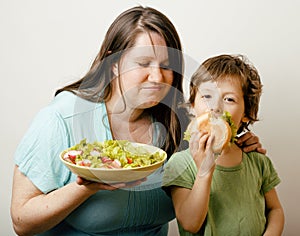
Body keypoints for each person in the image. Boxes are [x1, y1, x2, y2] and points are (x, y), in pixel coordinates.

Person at [10, 6, 265, 236]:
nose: (157, 76)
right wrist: (87, 187)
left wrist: (233, 144)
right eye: (143, 63)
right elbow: (22, 222)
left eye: (166, 65)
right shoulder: (63, 117)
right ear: (114, 63)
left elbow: (208, 173)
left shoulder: (180, 125)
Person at [162, 54, 285, 236]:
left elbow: (275, 210)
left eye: (229, 99)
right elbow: (189, 224)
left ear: (246, 113)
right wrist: (204, 172)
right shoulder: (179, 164)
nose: (215, 107)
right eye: (207, 96)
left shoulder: (257, 161)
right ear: (192, 105)